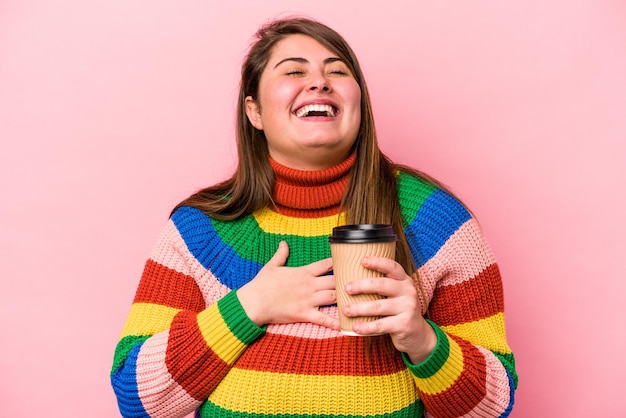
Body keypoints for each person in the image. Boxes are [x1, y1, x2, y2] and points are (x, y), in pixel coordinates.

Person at [110, 17, 518, 418]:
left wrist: (424, 341)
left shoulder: (434, 219)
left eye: (337, 71)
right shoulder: (200, 227)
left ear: (358, 101)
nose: (319, 82)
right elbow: (138, 399)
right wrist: (248, 307)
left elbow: (492, 405)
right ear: (254, 111)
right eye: (293, 71)